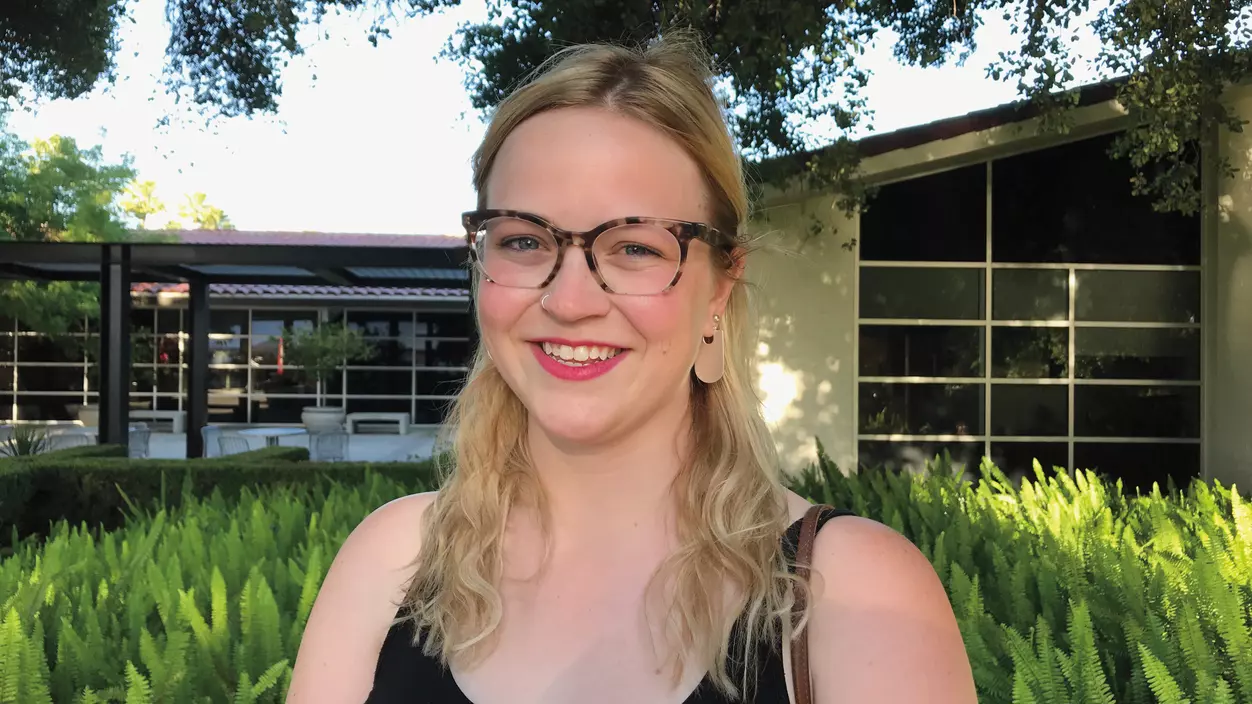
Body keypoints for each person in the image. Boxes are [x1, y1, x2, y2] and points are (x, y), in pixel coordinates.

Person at [287, 31, 978, 704]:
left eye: (636, 249)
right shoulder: (391, 564)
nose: (568, 300)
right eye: (524, 240)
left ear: (720, 287)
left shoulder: (853, 596)